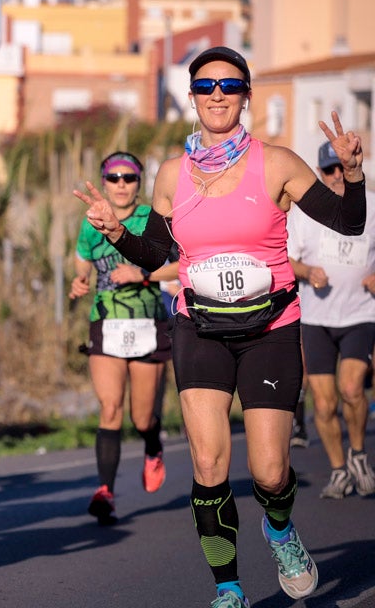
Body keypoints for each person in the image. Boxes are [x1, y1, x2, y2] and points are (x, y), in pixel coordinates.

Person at [74, 46, 365, 608]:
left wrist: (352, 175)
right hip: (199, 327)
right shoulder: (170, 175)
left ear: (246, 95)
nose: (217, 96)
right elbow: (156, 250)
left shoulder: (276, 163)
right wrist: (116, 233)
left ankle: (279, 530)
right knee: (208, 464)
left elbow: (348, 223)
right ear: (191, 96)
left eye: (229, 86)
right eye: (205, 86)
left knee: (271, 470)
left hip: (272, 329)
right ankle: (228, 588)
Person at [69, 151, 178, 525]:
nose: (120, 184)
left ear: (139, 182)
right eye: (113, 177)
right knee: (110, 408)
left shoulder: (153, 217)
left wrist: (143, 276)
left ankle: (152, 444)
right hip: (105, 322)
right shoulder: (92, 217)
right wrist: (79, 279)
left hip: (147, 323)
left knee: (142, 417)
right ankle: (106, 492)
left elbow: (181, 266)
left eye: (128, 178)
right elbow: (82, 257)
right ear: (103, 181)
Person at [286, 140, 375, 498]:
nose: (337, 175)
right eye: (329, 170)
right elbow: (286, 260)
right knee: (323, 403)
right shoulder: (305, 212)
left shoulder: (370, 205)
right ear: (321, 174)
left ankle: (358, 454)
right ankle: (339, 470)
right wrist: (306, 271)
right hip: (317, 317)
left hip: (360, 313)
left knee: (352, 388)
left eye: (341, 167)